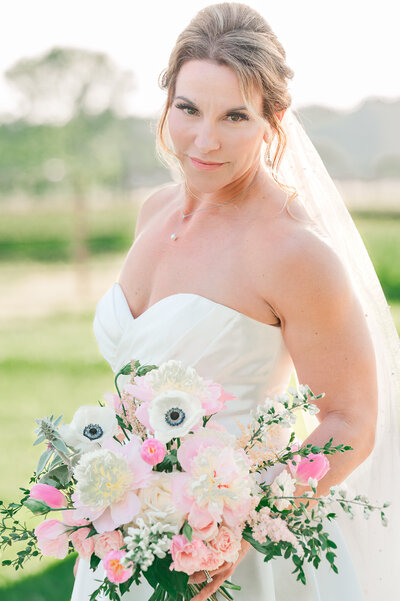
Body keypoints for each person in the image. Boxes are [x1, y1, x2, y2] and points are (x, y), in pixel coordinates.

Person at [71, 3, 400, 600]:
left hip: (234, 559)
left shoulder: (294, 253)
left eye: (235, 116)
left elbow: (351, 421)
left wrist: (240, 526)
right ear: (167, 99)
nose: (205, 139)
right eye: (188, 109)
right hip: (127, 539)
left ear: (273, 121)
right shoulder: (154, 211)